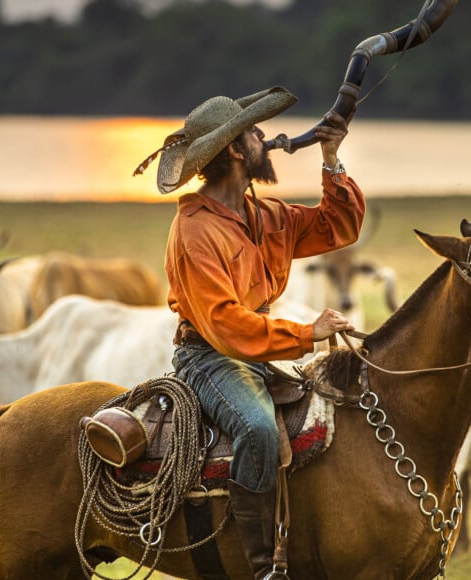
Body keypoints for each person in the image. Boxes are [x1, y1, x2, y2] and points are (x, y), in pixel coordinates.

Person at [134, 86, 365, 579]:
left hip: (254, 351)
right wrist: (307, 332)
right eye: (253, 132)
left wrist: (331, 158)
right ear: (237, 151)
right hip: (210, 357)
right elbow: (224, 325)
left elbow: (339, 226)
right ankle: (261, 566)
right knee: (258, 428)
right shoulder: (194, 231)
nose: (264, 136)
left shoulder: (265, 214)